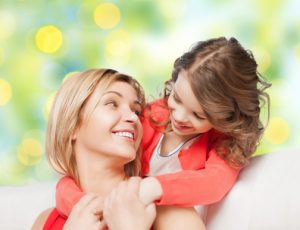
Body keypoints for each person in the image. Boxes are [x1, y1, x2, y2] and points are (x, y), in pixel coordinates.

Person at [55, 37, 271, 228]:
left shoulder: (223, 144)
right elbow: (77, 174)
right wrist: (90, 207)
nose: (180, 117)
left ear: (226, 117)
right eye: (176, 98)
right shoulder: (151, 115)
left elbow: (215, 183)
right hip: (119, 208)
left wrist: (152, 187)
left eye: (198, 115)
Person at [32, 68, 162, 230]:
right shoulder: (45, 222)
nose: (133, 117)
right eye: (112, 104)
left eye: (136, 110)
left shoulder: (165, 208)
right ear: (73, 126)